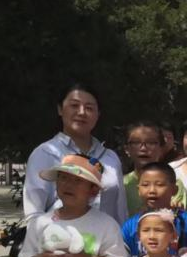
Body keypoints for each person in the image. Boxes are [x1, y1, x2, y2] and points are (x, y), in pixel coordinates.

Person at [25, 83, 126, 225]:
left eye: (89, 108)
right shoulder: (45, 153)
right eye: (74, 105)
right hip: (59, 237)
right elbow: (34, 214)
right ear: (60, 109)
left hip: (107, 237)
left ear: (98, 114)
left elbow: (120, 212)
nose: (82, 112)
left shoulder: (110, 158)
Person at [123, 121, 185, 213]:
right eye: (136, 143)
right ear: (127, 149)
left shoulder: (174, 183)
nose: (143, 148)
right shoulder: (122, 184)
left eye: (151, 143)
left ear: (161, 148)